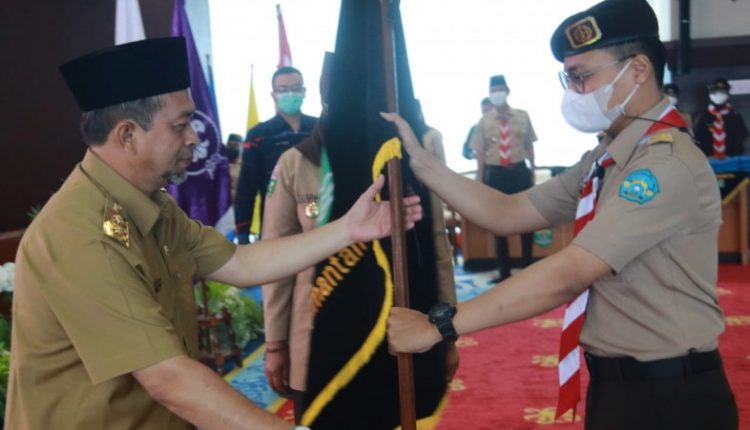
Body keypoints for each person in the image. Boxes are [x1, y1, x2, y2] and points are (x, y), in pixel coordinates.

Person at [5, 37, 422, 430]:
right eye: (181, 125)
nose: (195, 137)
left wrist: (348, 229)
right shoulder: (81, 234)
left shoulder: (150, 205)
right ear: (128, 135)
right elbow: (167, 377)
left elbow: (238, 262)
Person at [384, 0, 738, 429]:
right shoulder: (608, 157)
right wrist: (422, 164)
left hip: (672, 397)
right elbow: (508, 211)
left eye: (582, 76)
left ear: (638, 70)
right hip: (618, 386)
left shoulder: (664, 164)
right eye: (567, 78)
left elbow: (570, 273)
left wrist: (438, 327)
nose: (573, 91)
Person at [261, 57, 458, 423]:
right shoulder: (297, 162)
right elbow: (274, 259)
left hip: (397, 331)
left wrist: (446, 331)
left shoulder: (409, 156)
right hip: (318, 335)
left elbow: (435, 245)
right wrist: (275, 343)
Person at [234, 66, 318, 244]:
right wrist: (243, 235)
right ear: (274, 95)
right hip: (277, 225)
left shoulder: (320, 129)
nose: (290, 93)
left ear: (304, 92)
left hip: (318, 220)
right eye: (283, 90)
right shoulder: (258, 135)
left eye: (296, 88)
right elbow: (246, 188)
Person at [470, 75, 537, 282]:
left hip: (519, 171)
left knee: (527, 219)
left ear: (507, 91)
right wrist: (480, 177)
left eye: (500, 89)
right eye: (493, 91)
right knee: (497, 221)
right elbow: (480, 152)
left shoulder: (522, 116)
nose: (497, 93)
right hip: (495, 172)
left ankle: (527, 267)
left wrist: (533, 169)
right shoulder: (483, 121)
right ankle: (504, 271)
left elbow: (529, 145)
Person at [693, 77, 747, 159]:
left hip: (732, 159)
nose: (719, 94)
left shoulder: (735, 117)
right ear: (710, 93)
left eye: (722, 92)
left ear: (727, 93)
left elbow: (742, 136)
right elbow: (698, 138)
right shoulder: (702, 117)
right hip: (709, 160)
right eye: (715, 91)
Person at [226, 132, 243, 201]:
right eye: (230, 145)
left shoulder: (244, 165)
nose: (232, 148)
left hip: (236, 203)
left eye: (235, 145)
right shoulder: (220, 163)